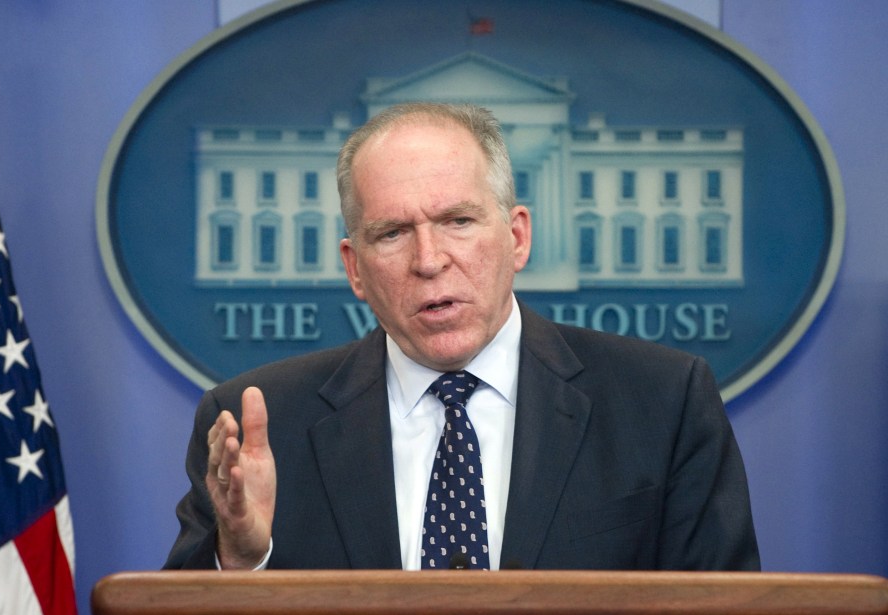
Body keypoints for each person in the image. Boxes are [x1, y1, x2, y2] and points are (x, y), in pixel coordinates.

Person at [164, 102, 759, 572]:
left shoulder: (662, 402)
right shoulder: (257, 426)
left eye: (458, 221)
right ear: (354, 268)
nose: (430, 260)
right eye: (393, 232)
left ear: (517, 237)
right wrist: (240, 560)